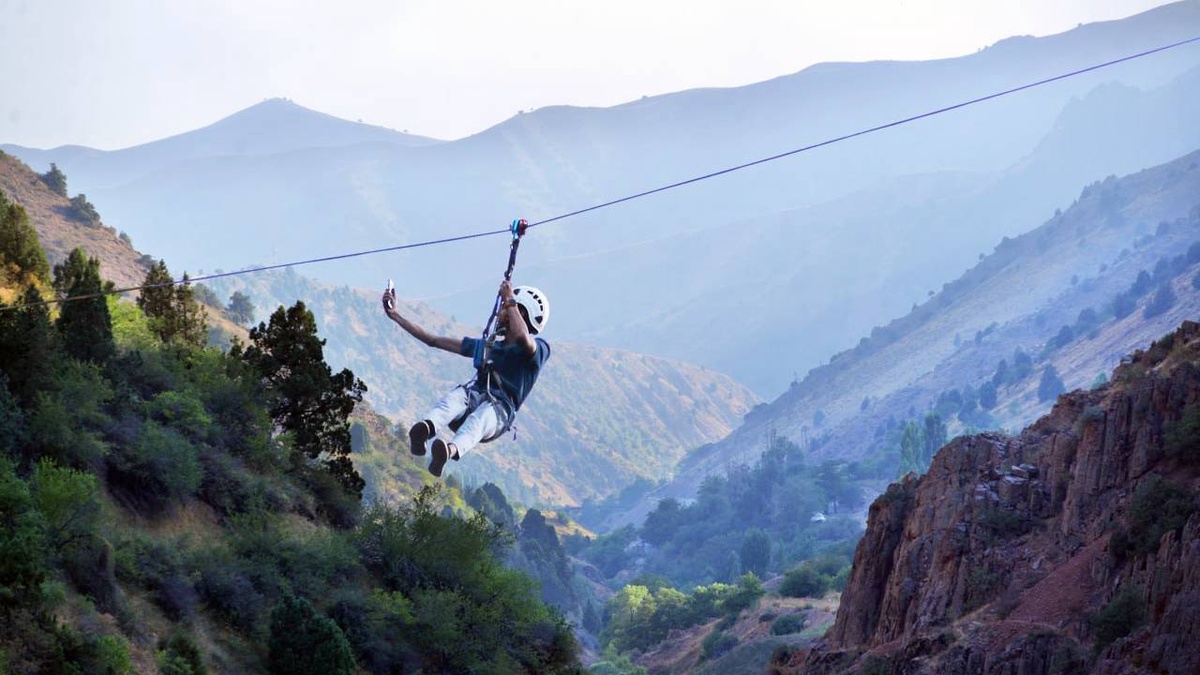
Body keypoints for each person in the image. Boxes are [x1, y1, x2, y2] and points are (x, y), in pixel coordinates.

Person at [382, 279, 551, 477]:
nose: (500, 313)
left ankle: (449, 451)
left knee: (480, 418)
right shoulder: (489, 347)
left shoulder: (538, 349)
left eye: (504, 309)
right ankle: (426, 428)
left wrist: (510, 299)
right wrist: (396, 316)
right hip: (473, 400)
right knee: (456, 397)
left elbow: (523, 339)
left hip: (498, 414)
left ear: (521, 313)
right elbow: (433, 340)